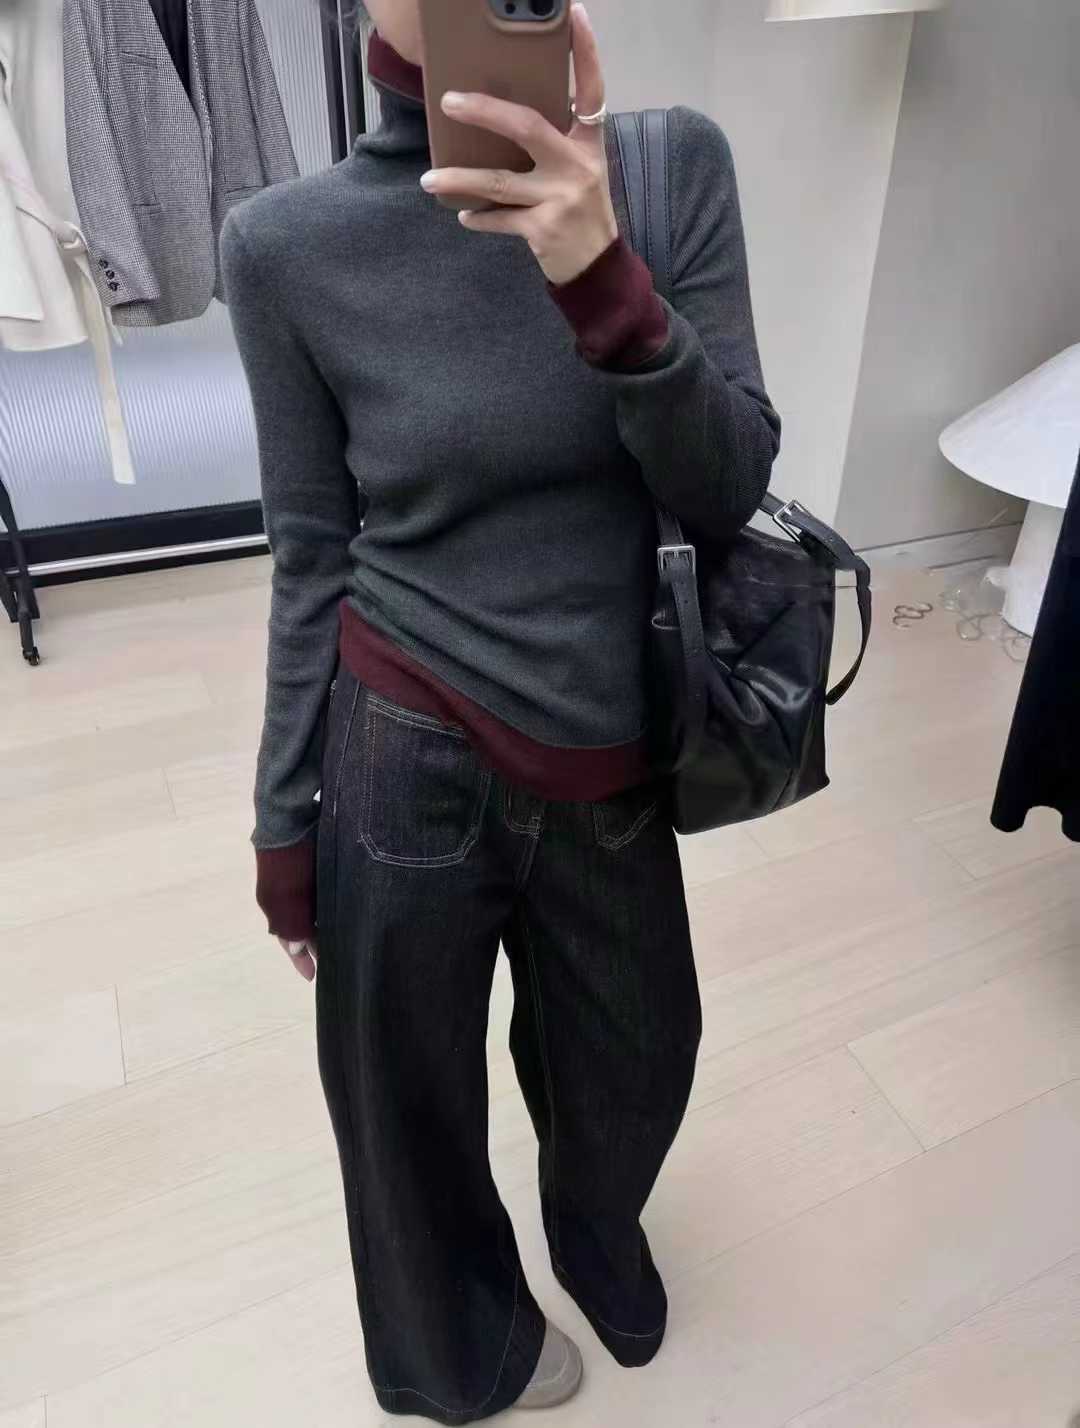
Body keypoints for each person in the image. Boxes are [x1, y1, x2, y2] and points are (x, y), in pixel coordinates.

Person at [220, 1, 780, 1420]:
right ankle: (465, 1350)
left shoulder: (667, 168)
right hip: (400, 727)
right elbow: (310, 550)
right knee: (399, 1105)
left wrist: (602, 279)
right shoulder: (286, 243)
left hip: (609, 731)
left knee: (638, 1058)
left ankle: (593, 1223)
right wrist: (284, 819)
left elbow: (730, 485)